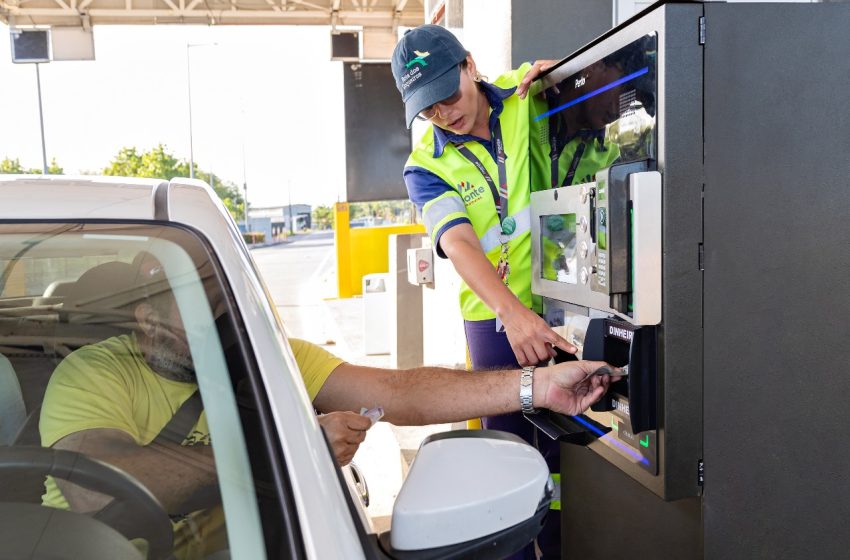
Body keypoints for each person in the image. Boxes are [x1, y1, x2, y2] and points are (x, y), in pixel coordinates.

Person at [39, 255, 619, 560]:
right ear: (144, 318)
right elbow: (100, 486)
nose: (217, 324)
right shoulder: (95, 373)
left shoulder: (264, 357)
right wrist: (292, 449)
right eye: (187, 309)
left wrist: (537, 387)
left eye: (219, 304)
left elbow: (398, 393)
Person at [391, 25, 567, 558]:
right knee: (507, 463)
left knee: (570, 465)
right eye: (428, 108)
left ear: (470, 65)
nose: (443, 114)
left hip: (562, 301)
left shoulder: (523, 95)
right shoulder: (424, 166)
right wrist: (512, 315)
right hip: (493, 327)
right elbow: (459, 242)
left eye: (447, 95)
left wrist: (569, 83)